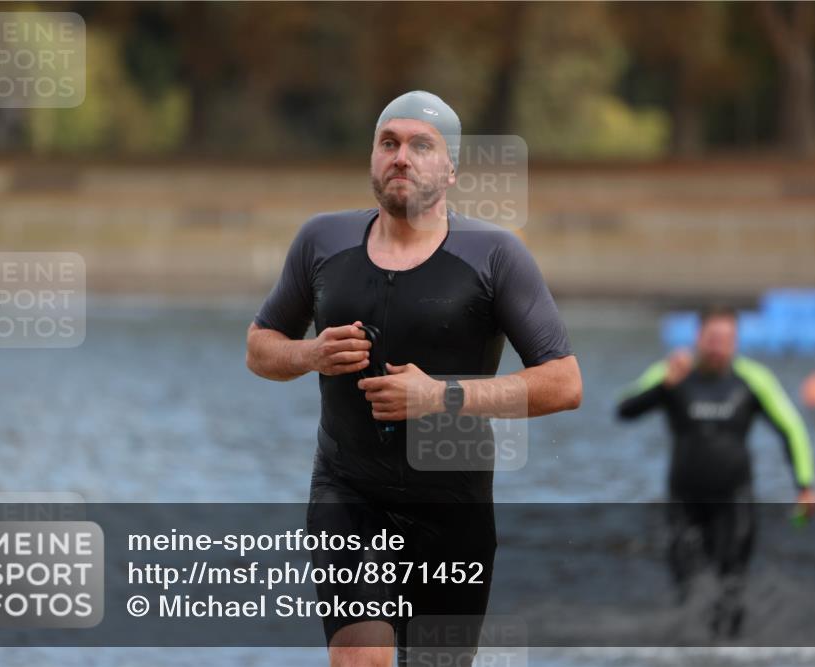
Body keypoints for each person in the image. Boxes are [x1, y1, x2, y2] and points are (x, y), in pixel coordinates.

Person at [246, 90, 582, 667]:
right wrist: (312, 355)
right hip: (347, 494)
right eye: (389, 143)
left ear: (450, 169)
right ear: (373, 158)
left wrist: (441, 395)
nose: (401, 157)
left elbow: (564, 382)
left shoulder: (495, 255)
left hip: (453, 507)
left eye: (420, 146)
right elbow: (260, 346)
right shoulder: (322, 242)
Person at [615, 305, 815, 639]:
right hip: (684, 501)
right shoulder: (674, 373)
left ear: (735, 341)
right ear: (698, 337)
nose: (718, 345)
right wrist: (664, 385)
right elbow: (624, 409)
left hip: (734, 501)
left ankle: (729, 652)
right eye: (712, 337)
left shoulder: (753, 379)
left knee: (731, 585)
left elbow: (792, 428)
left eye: (726, 338)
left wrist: (805, 485)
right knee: (686, 585)